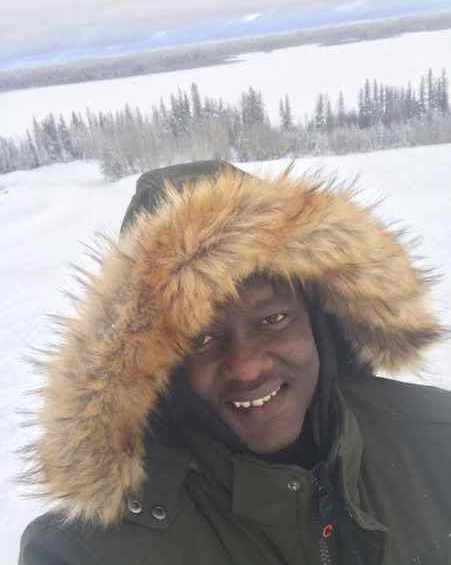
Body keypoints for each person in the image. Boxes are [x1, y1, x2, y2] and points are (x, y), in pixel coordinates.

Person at [19, 160, 451, 565]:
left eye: (273, 319)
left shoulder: (436, 438)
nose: (246, 367)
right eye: (201, 338)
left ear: (320, 318)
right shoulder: (85, 550)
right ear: (155, 365)